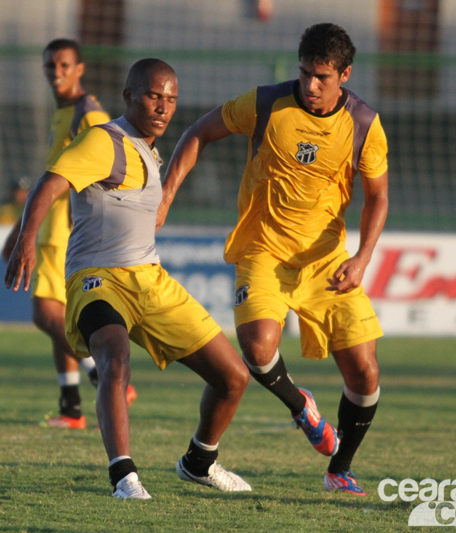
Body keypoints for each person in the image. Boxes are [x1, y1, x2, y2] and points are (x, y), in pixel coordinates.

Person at [157, 23, 388, 496]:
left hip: (326, 261)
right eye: (304, 73)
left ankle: (338, 469)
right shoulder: (266, 103)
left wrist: (363, 257)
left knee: (364, 372)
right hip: (263, 250)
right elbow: (199, 132)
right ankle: (300, 405)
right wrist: (164, 199)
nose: (310, 85)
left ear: (345, 73)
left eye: (322, 76)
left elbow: (378, 197)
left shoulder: (364, 124)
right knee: (258, 349)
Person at [5, 58, 251, 499]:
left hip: (150, 279)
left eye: (171, 99)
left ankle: (198, 462)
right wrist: (26, 238)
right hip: (97, 278)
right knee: (114, 360)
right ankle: (124, 477)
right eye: (154, 96)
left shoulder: (150, 150)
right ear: (129, 95)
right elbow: (49, 182)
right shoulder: (103, 141)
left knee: (232, 377)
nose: (163, 107)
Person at [2, 39, 135, 430]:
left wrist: (92, 221)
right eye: (49, 65)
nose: (55, 72)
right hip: (50, 228)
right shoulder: (64, 113)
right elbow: (50, 178)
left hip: (67, 230)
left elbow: (106, 165)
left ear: (79, 69)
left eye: (63, 64)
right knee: (56, 315)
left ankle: (101, 372)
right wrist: (19, 229)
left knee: (46, 314)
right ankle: (71, 408)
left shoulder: (89, 115)